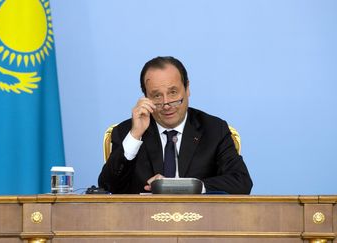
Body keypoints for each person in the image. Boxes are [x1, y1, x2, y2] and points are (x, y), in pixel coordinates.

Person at [98, 56, 253, 194]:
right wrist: (135, 135)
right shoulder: (127, 132)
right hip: (143, 223)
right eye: (157, 96)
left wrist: (187, 186)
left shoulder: (213, 130)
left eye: (173, 93)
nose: (166, 104)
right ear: (146, 98)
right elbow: (108, 186)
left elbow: (241, 181)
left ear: (187, 89)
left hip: (199, 222)